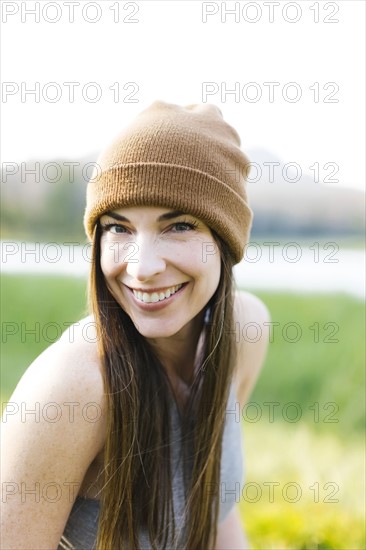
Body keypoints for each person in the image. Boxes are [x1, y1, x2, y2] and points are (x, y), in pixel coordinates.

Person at [1, 101, 270, 549]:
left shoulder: (245, 329)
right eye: (119, 228)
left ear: (225, 240)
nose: (142, 268)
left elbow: (210, 501)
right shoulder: (76, 386)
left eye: (179, 225)